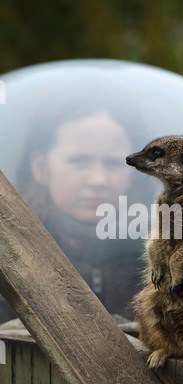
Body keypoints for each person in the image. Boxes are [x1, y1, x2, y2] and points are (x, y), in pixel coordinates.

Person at [0, 73, 150, 323]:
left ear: (135, 172)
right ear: (41, 167)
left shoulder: (165, 255)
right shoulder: (8, 258)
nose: (98, 179)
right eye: (79, 160)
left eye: (113, 162)